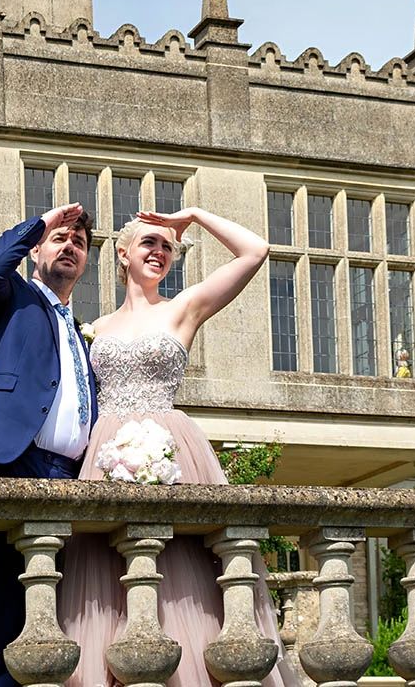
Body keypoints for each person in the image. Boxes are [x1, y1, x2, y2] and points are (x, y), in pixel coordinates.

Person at [57, 206, 301, 687]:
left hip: (174, 450)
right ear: (122, 253)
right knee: (105, 578)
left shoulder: (183, 308)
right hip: (106, 454)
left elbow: (255, 251)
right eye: (150, 242)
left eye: (168, 247)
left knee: (183, 574)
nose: (160, 252)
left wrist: (193, 215)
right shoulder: (93, 328)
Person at [0, 202, 98, 687]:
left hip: (69, 476)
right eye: (60, 240)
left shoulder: (82, 334)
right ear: (35, 250)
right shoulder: (11, 297)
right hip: (10, 464)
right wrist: (45, 221)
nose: (70, 248)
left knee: (57, 609)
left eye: (79, 244)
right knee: (8, 605)